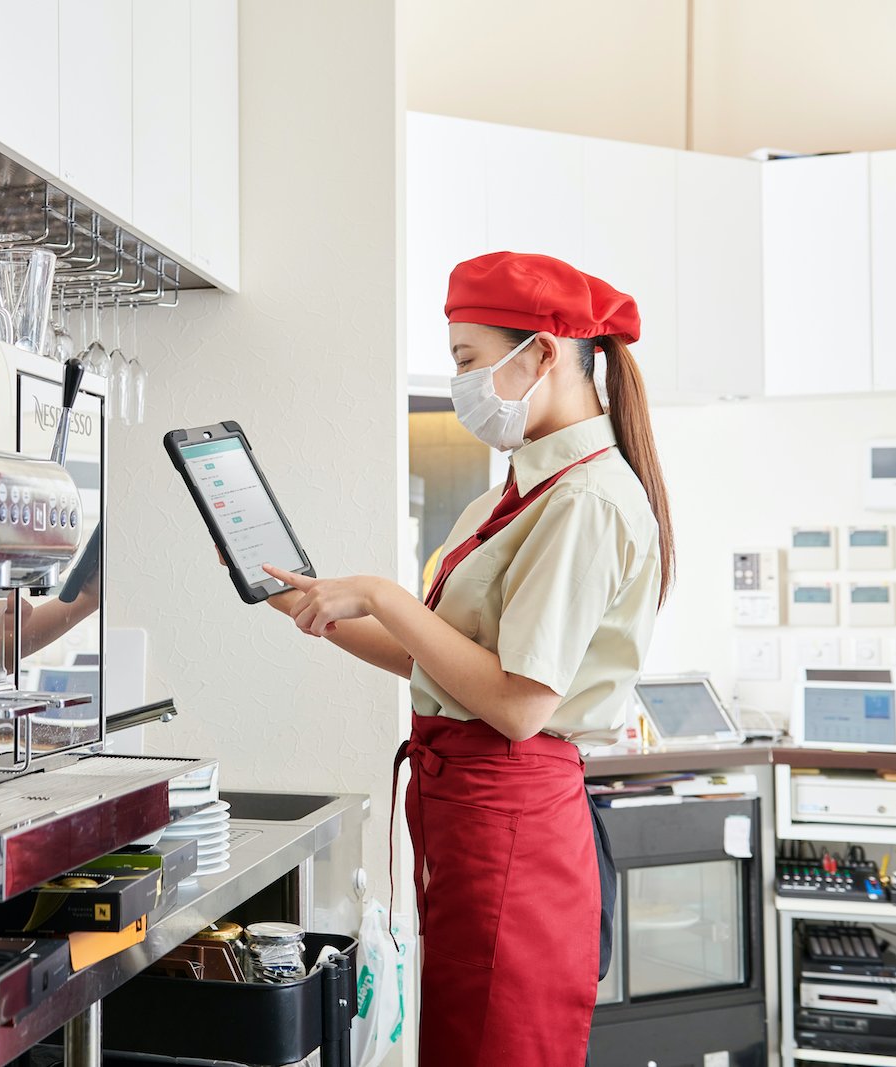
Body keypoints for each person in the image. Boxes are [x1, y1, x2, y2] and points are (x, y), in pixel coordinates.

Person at [260, 252, 673, 1066]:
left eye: (467, 361)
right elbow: (453, 668)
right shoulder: (517, 492)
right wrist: (312, 606)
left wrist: (382, 594)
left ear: (543, 353)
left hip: (513, 822)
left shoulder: (586, 500)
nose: (461, 385)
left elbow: (519, 705)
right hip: (473, 819)